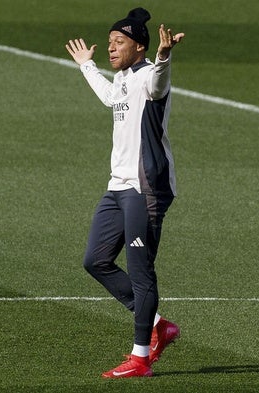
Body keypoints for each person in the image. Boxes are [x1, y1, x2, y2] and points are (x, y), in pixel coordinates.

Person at [65, 7, 185, 378]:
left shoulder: (150, 76)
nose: (111, 49)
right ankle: (159, 324)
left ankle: (140, 358)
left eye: (119, 43)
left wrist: (164, 57)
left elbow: (159, 82)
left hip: (145, 188)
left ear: (139, 46)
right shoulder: (121, 79)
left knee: (140, 271)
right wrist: (87, 65)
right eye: (111, 43)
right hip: (117, 187)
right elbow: (109, 98)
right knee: (95, 260)